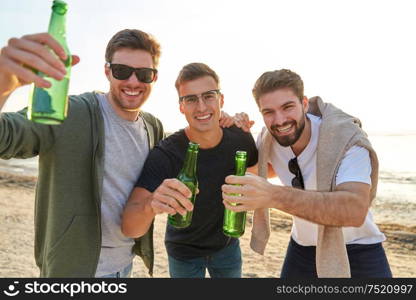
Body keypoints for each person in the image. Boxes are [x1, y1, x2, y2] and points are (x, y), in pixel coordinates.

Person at [0, 30, 236, 278]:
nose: (134, 82)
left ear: (154, 77)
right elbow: (7, 137)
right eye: (122, 71)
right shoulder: (70, 113)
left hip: (125, 265)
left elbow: (189, 147)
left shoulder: (152, 127)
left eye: (144, 74)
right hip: (73, 270)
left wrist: (225, 123)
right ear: (107, 71)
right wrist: (5, 81)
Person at [222, 69, 392, 278]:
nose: (280, 120)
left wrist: (273, 196)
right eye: (269, 112)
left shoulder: (347, 139)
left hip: (358, 250)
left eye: (287, 107)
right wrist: (233, 132)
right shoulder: (269, 139)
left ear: (304, 103)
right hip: (302, 248)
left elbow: (354, 211)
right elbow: (255, 172)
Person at [122, 63, 258, 278]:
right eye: (191, 99)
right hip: (182, 251)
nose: (201, 107)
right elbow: (130, 225)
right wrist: (152, 204)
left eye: (209, 96)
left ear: (221, 100)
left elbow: (261, 170)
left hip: (227, 246)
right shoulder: (167, 152)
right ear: (181, 107)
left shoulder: (240, 137)